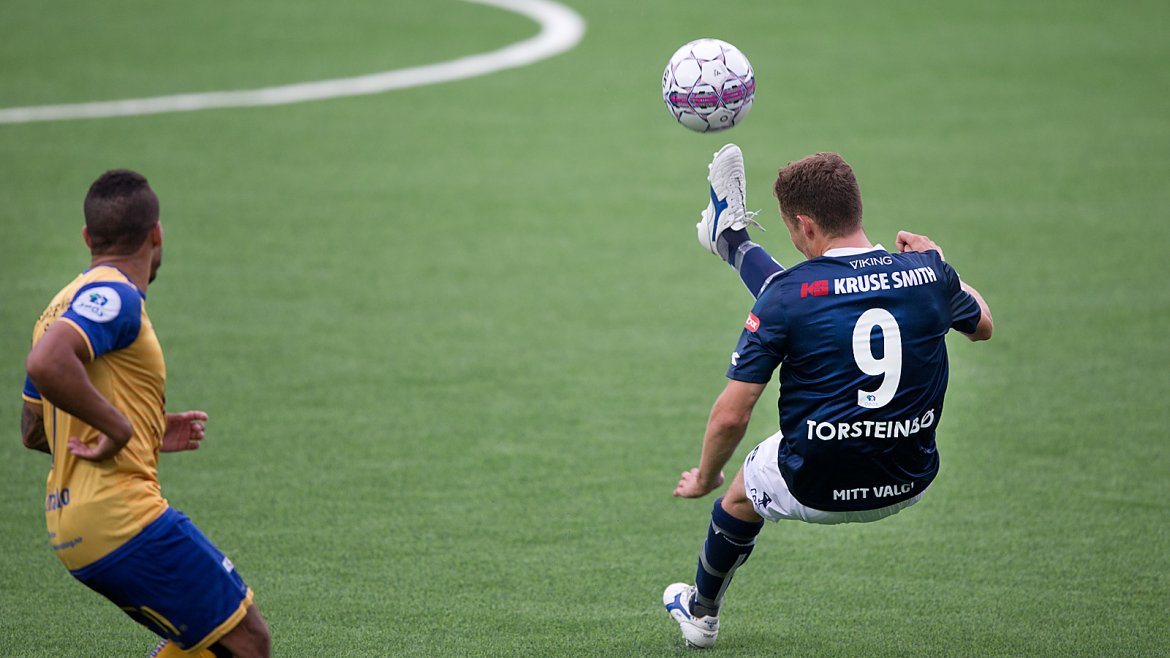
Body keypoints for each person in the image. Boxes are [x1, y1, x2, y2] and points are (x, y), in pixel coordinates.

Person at [663, 145, 993, 648]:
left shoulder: (786, 294)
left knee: (740, 492)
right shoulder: (930, 277)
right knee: (798, 297)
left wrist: (707, 476)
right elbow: (982, 325)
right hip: (910, 477)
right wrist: (940, 263)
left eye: (792, 232)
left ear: (806, 226)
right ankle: (730, 239)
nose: (795, 241)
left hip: (813, 485)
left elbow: (732, 416)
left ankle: (702, 613)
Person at [21, 170, 271, 658]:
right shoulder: (114, 295)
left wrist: (146, 432)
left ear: (88, 238)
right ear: (157, 234)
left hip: (71, 525)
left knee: (202, 638)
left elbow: (34, 429)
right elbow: (48, 363)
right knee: (249, 640)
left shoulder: (57, 306)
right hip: (121, 517)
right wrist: (120, 426)